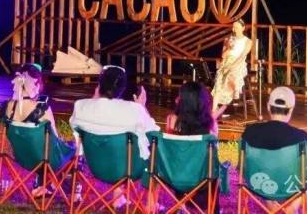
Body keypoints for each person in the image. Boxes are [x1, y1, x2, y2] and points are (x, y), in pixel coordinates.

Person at [69, 65, 159, 208]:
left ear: (99, 85)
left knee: (117, 146)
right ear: (122, 87)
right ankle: (151, 205)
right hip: (128, 169)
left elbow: (75, 126)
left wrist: (94, 99)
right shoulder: (132, 109)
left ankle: (119, 197)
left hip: (96, 167)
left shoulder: (80, 106)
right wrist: (143, 107)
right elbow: (154, 132)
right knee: (152, 149)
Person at [241, 87, 307, 214]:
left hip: (258, 186)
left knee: (267, 176)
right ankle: (291, 210)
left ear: (268, 107)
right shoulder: (301, 137)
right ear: (291, 109)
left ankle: (274, 209)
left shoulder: (249, 132)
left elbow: (242, 166)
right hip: (291, 187)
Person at [5, 63, 66, 197]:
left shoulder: (8, 106)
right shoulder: (42, 108)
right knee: (69, 151)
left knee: (40, 148)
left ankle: (43, 185)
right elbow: (55, 139)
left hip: (22, 158)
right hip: (44, 160)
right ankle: (72, 193)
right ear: (36, 85)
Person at [165, 81, 220, 212]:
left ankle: (182, 205)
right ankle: (212, 209)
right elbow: (214, 154)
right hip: (202, 178)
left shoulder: (172, 121)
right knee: (212, 167)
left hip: (174, 175)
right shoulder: (210, 125)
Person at [212, 19, 252, 117]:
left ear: (243, 28)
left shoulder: (248, 41)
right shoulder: (228, 39)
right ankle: (214, 109)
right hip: (226, 62)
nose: (234, 30)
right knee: (220, 78)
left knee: (230, 75)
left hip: (238, 63)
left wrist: (233, 65)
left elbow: (242, 56)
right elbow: (223, 55)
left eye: (237, 27)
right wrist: (229, 48)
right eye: (233, 27)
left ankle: (231, 99)